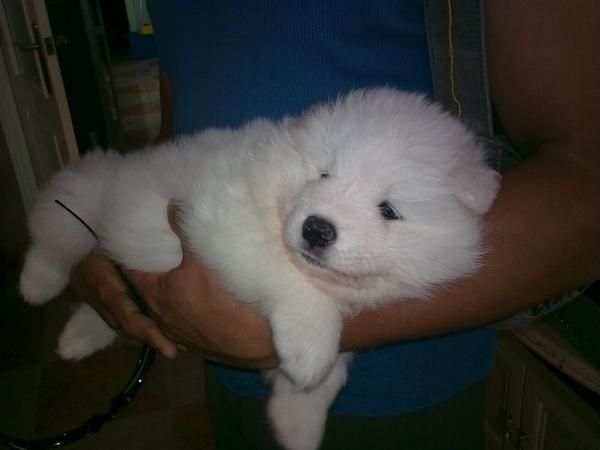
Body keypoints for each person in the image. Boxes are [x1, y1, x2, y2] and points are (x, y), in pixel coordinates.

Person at [71, 1, 600, 449]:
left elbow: (587, 186)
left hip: (401, 388)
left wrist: (314, 321)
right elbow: (185, 117)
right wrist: (118, 220)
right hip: (221, 361)